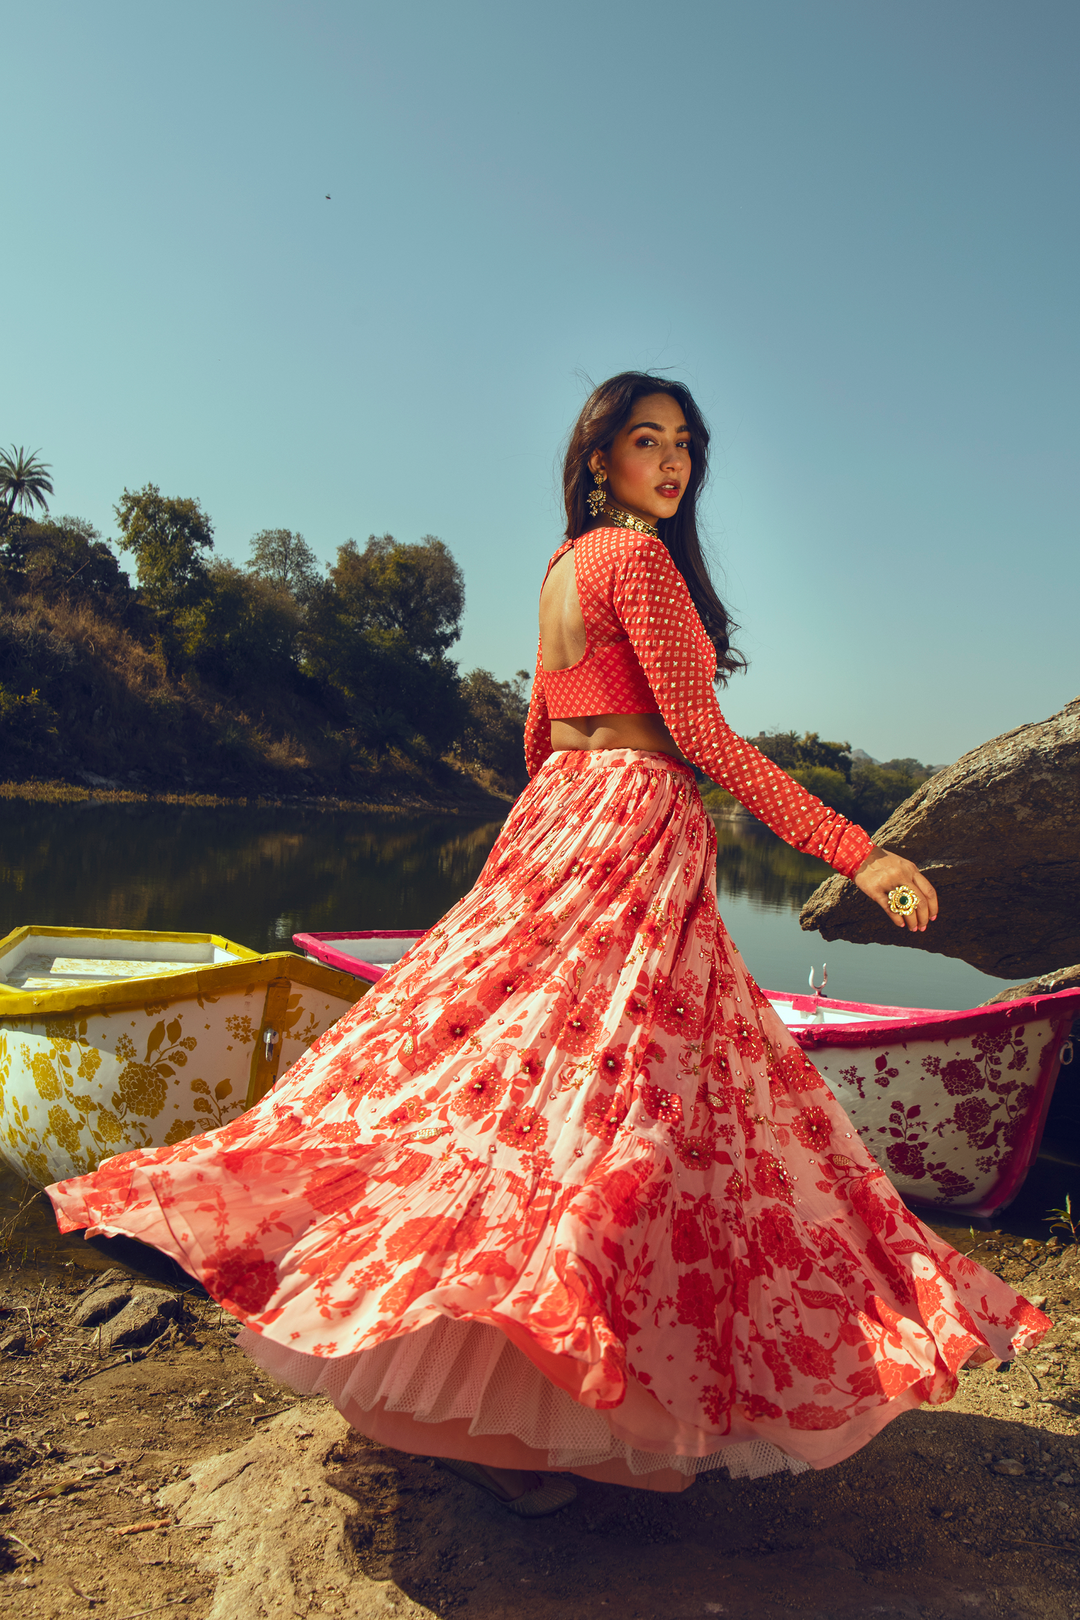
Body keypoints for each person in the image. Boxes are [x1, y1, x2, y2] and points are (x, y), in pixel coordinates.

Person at [47, 372, 1047, 1518]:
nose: (671, 465)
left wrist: (550, 839)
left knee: (491, 1080)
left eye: (685, 446)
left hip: (561, 811)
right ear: (597, 459)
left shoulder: (562, 570)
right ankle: (559, 1414)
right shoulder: (637, 563)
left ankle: (483, 1386)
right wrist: (854, 850)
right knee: (622, 1104)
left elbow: (538, 729)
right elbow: (704, 738)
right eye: (647, 442)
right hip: (629, 823)